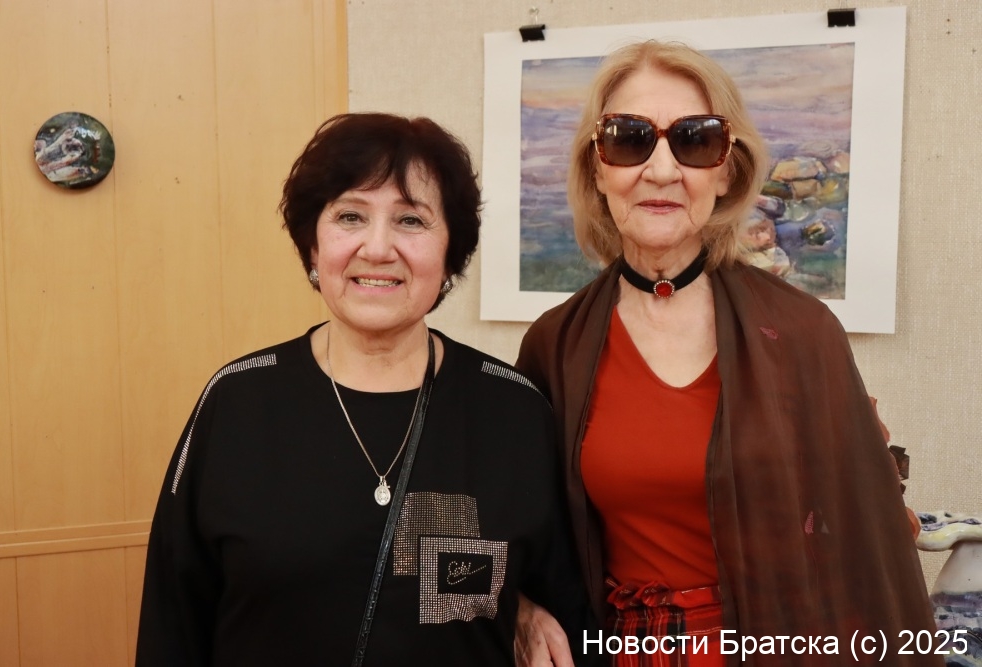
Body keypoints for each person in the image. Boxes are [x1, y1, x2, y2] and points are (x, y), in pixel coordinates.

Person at [514, 41, 941, 666]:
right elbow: (524, 531)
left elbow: (864, 545)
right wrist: (522, 607)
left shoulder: (804, 333)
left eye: (696, 140)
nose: (662, 170)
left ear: (726, 171)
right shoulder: (554, 345)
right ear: (597, 168)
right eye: (630, 139)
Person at [136, 112, 589, 666]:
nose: (377, 248)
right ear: (312, 246)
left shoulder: (512, 410)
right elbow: (173, 620)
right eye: (350, 216)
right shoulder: (237, 402)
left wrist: (517, 603)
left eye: (411, 220)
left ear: (451, 253)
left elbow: (564, 602)